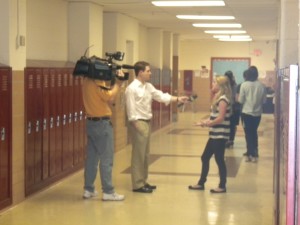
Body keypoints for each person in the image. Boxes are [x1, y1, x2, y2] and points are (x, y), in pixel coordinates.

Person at [125, 61, 188, 193]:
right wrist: (136, 124)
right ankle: (137, 185)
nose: (150, 73)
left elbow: (160, 96)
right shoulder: (131, 88)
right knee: (138, 154)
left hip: (147, 121)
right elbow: (130, 109)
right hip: (138, 123)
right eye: (148, 71)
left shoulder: (148, 86)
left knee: (146, 155)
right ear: (140, 72)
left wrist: (177, 99)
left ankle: (143, 181)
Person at [82, 70, 125, 201]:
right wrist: (118, 83)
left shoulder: (86, 81)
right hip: (102, 124)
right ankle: (108, 191)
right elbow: (110, 97)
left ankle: (88, 189)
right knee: (106, 158)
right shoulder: (97, 82)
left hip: (90, 122)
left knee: (92, 158)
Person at [188, 75, 231, 193]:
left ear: (220, 86)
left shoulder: (223, 100)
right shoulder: (218, 98)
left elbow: (220, 119)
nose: (212, 84)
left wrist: (207, 124)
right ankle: (201, 183)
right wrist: (204, 122)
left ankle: (222, 186)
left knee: (219, 159)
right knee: (205, 157)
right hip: (214, 135)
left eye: (214, 82)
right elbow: (214, 117)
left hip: (220, 135)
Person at [238, 66, 266, 162]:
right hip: (257, 114)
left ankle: (250, 154)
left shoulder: (244, 85)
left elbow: (240, 100)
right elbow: (264, 101)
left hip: (246, 113)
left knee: (248, 133)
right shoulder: (262, 85)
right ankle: (254, 151)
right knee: (254, 132)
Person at [224, 70, 239, 148]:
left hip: (230, 107)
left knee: (229, 125)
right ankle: (230, 140)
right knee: (232, 125)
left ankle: (229, 140)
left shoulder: (230, 86)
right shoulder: (234, 85)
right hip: (232, 107)